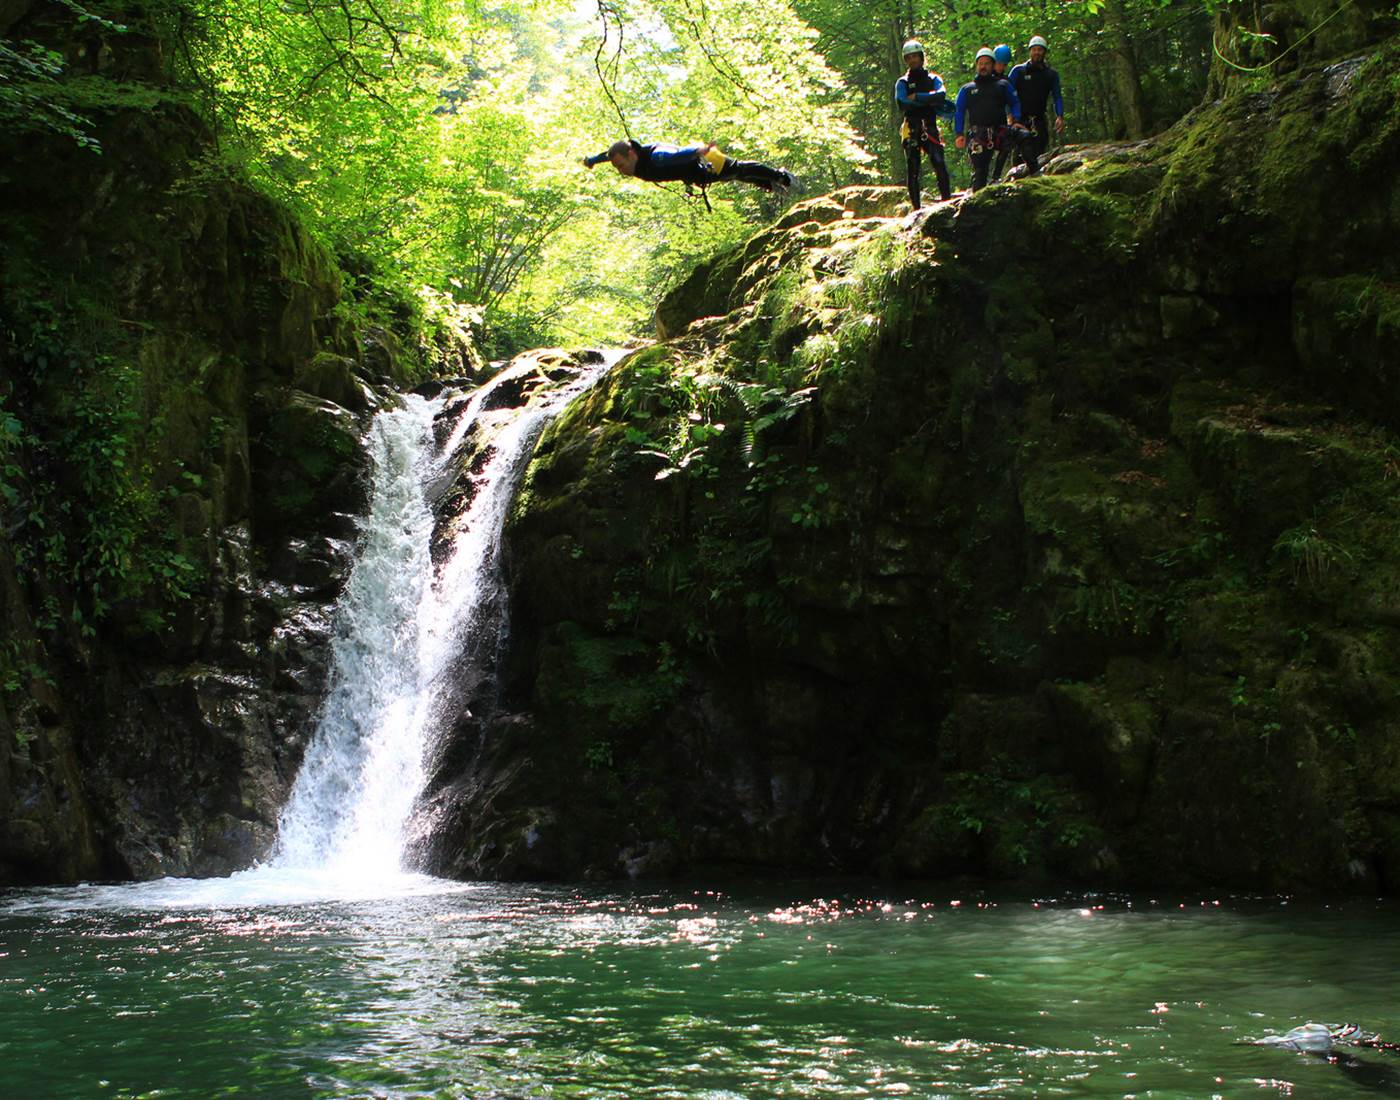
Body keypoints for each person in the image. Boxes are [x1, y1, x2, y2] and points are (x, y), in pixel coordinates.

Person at [954, 47, 1038, 191]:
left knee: (1025, 136)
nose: (983, 66)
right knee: (980, 174)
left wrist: (1016, 120)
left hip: (1000, 129)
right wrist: (959, 134)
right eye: (980, 63)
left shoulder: (1002, 85)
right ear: (976, 65)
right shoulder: (967, 89)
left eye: (987, 63)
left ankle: (1036, 174)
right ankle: (978, 201)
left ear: (992, 65)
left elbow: (1015, 102)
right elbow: (959, 111)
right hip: (978, 134)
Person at [582, 139, 797, 194]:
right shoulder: (628, 156)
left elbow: (673, 155)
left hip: (704, 161)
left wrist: (697, 151)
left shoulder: (656, 157)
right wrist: (592, 160)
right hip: (698, 172)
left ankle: (781, 177)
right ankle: (773, 185)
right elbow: (607, 155)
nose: (621, 170)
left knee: (738, 170)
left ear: (631, 154)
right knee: (735, 175)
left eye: (621, 165)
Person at [894, 39, 952, 208]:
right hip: (911, 127)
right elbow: (901, 102)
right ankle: (916, 209)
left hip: (930, 126)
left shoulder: (933, 79)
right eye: (909, 57)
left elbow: (941, 95)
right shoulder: (903, 82)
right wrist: (929, 101)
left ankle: (947, 202)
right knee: (913, 168)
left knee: (939, 162)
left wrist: (918, 97)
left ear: (921, 57)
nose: (912, 60)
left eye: (915, 56)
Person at [1006, 35, 1065, 170]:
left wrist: (1060, 116)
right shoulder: (1018, 71)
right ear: (1030, 51)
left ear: (1044, 52)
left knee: (1039, 154)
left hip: (1039, 120)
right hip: (1019, 120)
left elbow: (1057, 96)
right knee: (1019, 155)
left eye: (1040, 50)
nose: (1037, 52)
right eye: (1034, 49)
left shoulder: (1051, 75)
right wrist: (1009, 115)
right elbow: (1006, 94)